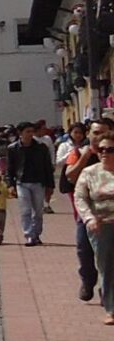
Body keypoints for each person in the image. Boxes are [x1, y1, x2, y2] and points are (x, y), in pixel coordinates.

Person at [75, 134, 114, 325]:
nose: (105, 153)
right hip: (101, 226)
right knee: (107, 267)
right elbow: (80, 198)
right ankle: (111, 309)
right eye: (101, 150)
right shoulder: (89, 173)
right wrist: (89, 218)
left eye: (110, 150)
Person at [66, 121, 104, 299]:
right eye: (95, 133)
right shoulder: (78, 153)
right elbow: (69, 178)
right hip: (86, 214)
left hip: (109, 214)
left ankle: (107, 290)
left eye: (103, 132)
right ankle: (88, 281)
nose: (98, 137)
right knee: (84, 249)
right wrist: (85, 156)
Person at [6, 121, 54, 245]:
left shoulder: (41, 147)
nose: (30, 134)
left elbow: (47, 167)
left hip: (38, 182)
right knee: (25, 210)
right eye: (27, 132)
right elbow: (10, 168)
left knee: (38, 210)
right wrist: (10, 184)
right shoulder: (13, 148)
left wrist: (50, 185)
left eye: (32, 132)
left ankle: (36, 233)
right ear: (20, 133)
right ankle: (29, 235)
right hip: (22, 182)